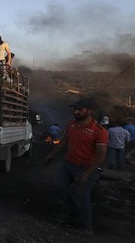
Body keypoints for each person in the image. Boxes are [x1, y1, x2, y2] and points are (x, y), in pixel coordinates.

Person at [44, 99, 108, 232]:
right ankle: (72, 214)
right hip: (68, 164)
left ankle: (86, 227)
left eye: (80, 109)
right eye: (75, 109)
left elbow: (101, 156)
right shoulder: (72, 125)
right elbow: (64, 141)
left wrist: (87, 174)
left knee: (82, 198)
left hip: (86, 168)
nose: (76, 112)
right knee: (59, 187)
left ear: (89, 111)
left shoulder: (99, 131)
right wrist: (51, 154)